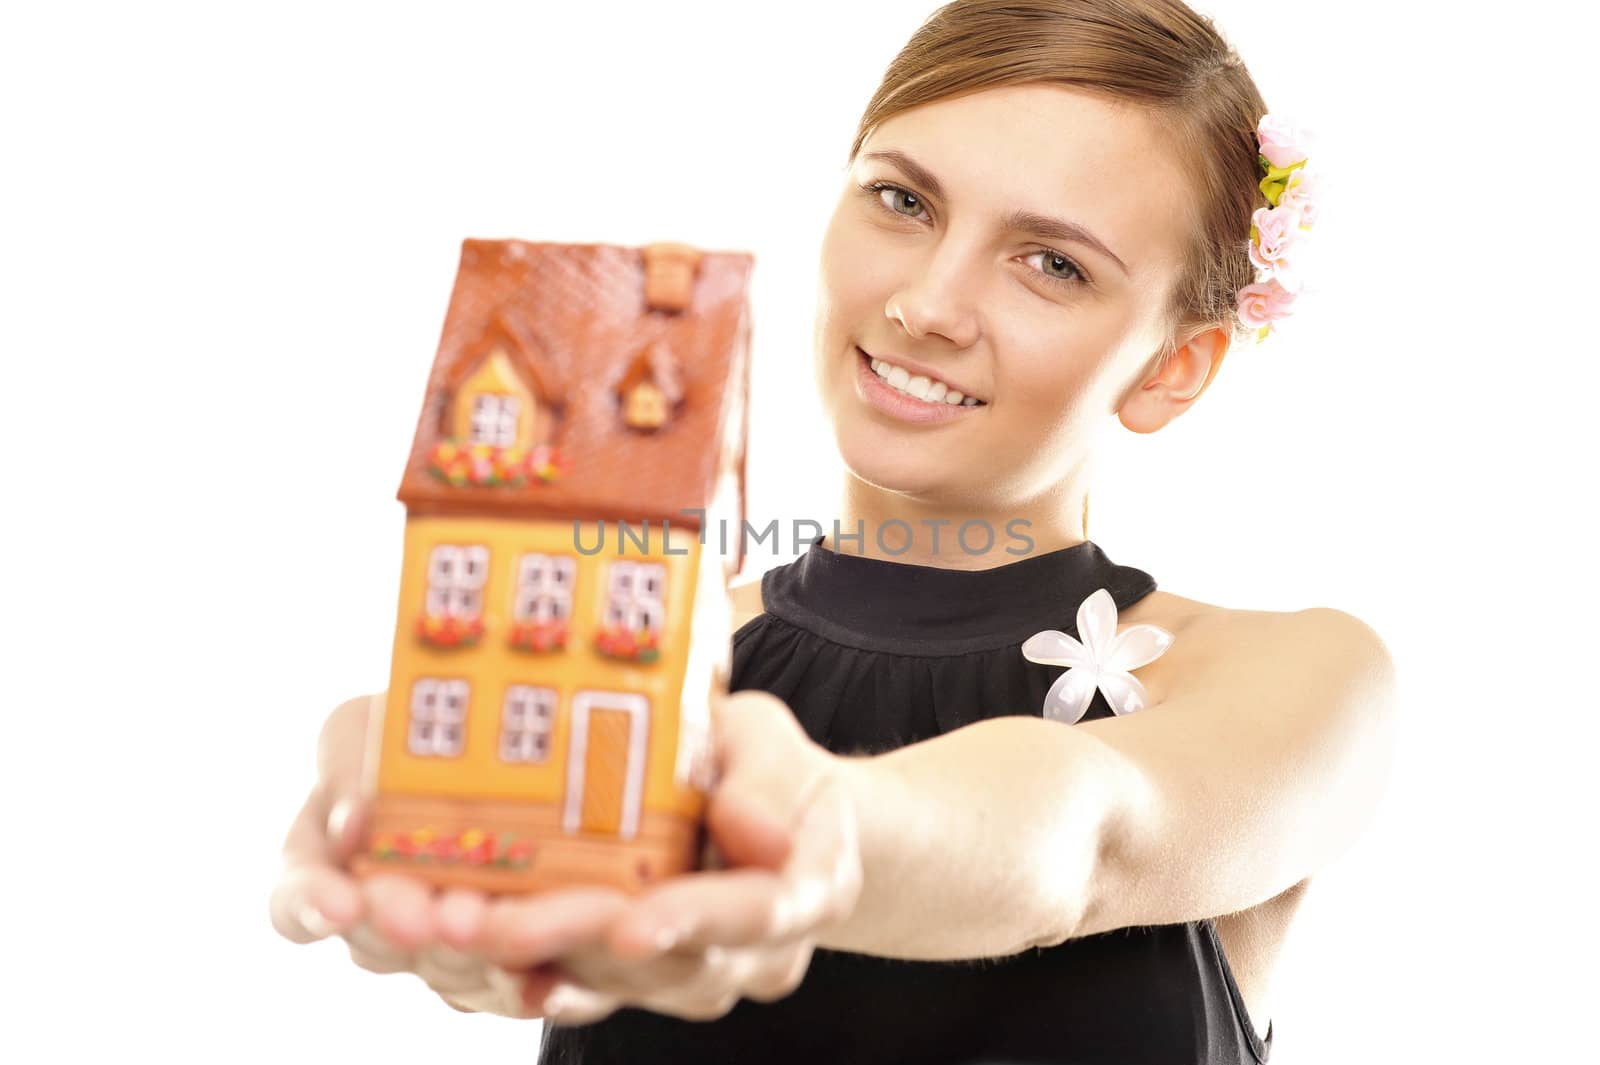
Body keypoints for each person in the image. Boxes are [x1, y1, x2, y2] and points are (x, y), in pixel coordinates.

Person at [269, 1, 1397, 1061]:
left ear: (1171, 367)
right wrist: (441, 816)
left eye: (1051, 264)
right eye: (903, 201)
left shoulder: (1298, 677)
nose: (926, 304)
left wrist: (816, 831)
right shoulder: (654, 650)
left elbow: (1086, 836)